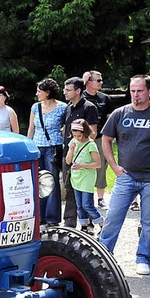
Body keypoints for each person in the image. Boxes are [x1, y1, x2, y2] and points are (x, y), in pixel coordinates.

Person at [99, 74, 150, 276]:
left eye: (139, 91)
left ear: (149, 91)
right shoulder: (120, 113)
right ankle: (103, 255)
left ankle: (144, 258)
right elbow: (106, 140)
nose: (135, 95)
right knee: (113, 216)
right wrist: (114, 167)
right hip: (126, 176)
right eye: (132, 90)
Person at [26, 78, 67, 226]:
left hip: (53, 147)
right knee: (38, 182)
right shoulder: (35, 107)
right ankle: (39, 216)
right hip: (37, 147)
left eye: (39, 91)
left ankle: (52, 218)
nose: (36, 93)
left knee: (52, 182)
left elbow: (65, 128)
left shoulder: (62, 108)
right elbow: (31, 128)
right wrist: (28, 146)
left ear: (47, 92)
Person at [61, 77, 99, 228]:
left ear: (78, 91)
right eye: (65, 89)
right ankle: (69, 222)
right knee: (69, 187)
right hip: (68, 153)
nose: (65, 92)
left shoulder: (89, 107)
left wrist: (79, 142)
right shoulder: (68, 107)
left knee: (84, 192)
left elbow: (94, 132)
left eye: (68, 90)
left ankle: (89, 223)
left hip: (83, 156)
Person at [64, 119, 103, 234]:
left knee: (87, 204)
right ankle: (84, 226)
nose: (77, 138)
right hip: (76, 178)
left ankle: (102, 224)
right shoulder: (73, 141)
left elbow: (98, 164)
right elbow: (68, 161)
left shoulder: (91, 144)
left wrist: (82, 165)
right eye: (74, 135)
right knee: (79, 205)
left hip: (87, 178)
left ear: (85, 132)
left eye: (79, 135)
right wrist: (71, 149)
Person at [83, 70, 114, 208]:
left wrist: (111, 135)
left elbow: (110, 117)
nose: (101, 82)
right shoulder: (80, 96)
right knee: (84, 167)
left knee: (101, 166)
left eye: (101, 80)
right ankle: (85, 198)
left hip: (101, 138)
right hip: (82, 139)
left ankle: (100, 198)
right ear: (89, 82)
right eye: (98, 80)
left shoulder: (105, 98)